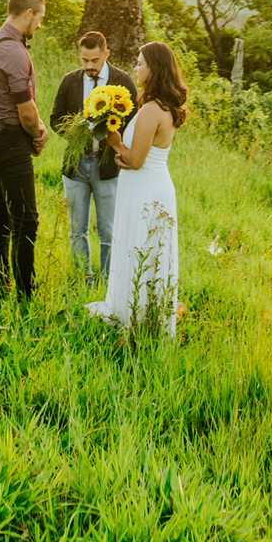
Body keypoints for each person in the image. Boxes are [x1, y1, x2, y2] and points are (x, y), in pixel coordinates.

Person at [86, 41, 187, 337]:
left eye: (140, 63)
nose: (136, 68)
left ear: (154, 69)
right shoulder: (163, 107)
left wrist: (116, 143)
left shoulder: (152, 110)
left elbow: (136, 159)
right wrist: (123, 156)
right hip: (154, 186)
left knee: (138, 247)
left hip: (146, 190)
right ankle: (146, 311)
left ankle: (133, 315)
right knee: (147, 250)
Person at [49, 31, 138, 284]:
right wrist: (75, 131)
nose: (89, 66)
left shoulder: (123, 82)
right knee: (77, 230)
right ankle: (82, 279)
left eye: (95, 60)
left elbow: (135, 122)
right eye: (84, 60)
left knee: (108, 230)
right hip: (75, 166)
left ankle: (108, 281)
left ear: (106, 55)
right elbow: (55, 118)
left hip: (109, 167)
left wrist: (117, 139)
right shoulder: (70, 81)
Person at [0, 0, 47, 300]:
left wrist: (36, 125)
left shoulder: (2, 40)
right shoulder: (12, 50)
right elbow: (25, 111)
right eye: (39, 19)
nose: (39, 25)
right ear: (28, 13)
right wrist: (38, 134)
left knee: (2, 214)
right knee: (26, 221)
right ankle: (25, 294)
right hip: (9, 141)